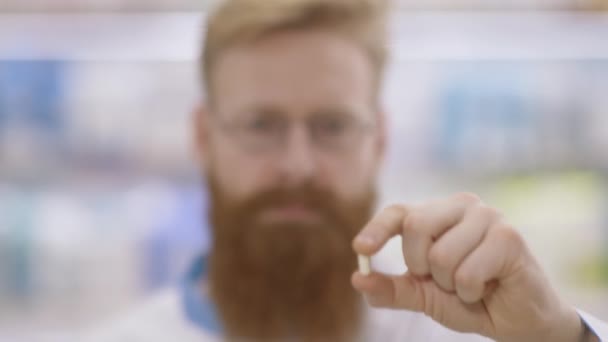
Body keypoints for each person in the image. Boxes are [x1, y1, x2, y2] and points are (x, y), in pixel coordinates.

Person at [87, 0, 608, 340]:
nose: (297, 165)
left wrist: (560, 336)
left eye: (332, 126)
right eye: (260, 125)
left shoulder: (461, 331)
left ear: (379, 139)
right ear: (203, 137)